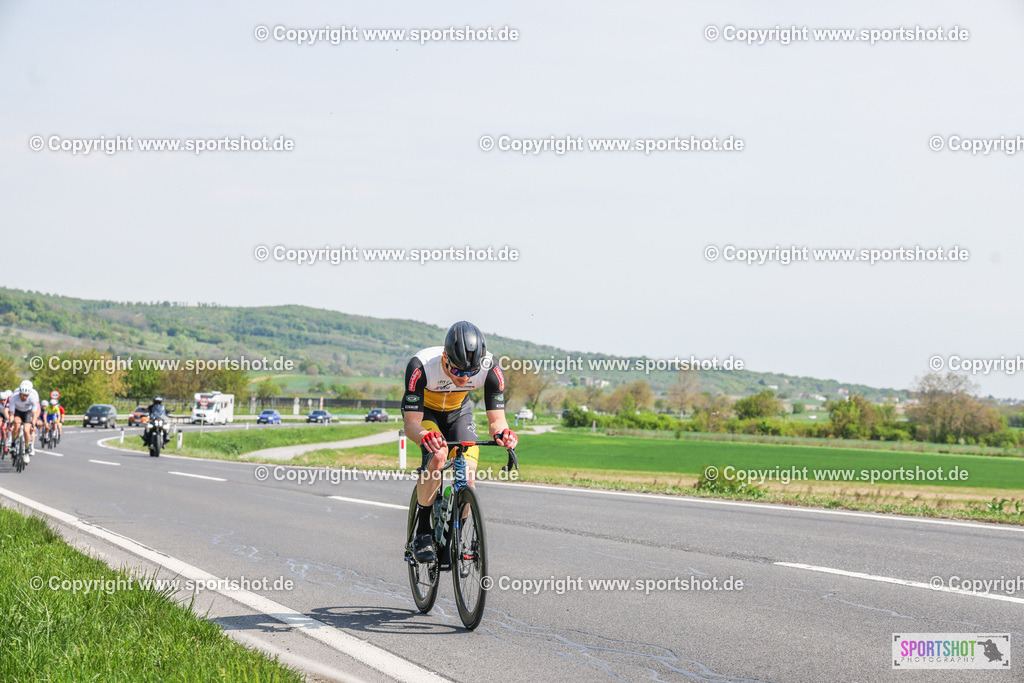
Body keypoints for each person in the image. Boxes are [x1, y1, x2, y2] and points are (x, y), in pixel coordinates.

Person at [402, 321, 518, 563]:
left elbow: (497, 421)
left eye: (471, 373)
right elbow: (411, 424)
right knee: (438, 456)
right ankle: (423, 531)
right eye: (458, 372)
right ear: (445, 358)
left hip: (459, 413)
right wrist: (425, 435)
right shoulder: (421, 366)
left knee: (468, 473)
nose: (464, 379)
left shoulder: (491, 368)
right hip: (426, 415)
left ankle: (455, 533)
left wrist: (504, 434)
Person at [9, 380, 41, 461]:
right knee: (16, 425)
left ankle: (27, 449)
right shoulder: (14, 398)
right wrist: (11, 424)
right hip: (17, 412)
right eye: (22, 395)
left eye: (26, 395)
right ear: (19, 393)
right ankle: (13, 443)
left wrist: (33, 424)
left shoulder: (33, 397)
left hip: (28, 412)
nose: (24, 397)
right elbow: (12, 414)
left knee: (27, 430)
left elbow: (34, 414)